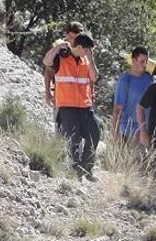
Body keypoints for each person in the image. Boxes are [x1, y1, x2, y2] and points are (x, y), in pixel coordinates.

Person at [42, 33, 100, 180]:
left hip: (85, 107)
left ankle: (86, 168)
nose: (89, 53)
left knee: (94, 134)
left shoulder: (86, 61)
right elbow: (46, 61)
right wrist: (57, 48)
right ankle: (75, 172)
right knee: (73, 140)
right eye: (88, 50)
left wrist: (91, 59)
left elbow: (94, 77)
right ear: (80, 47)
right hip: (67, 107)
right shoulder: (61, 57)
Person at [111, 46, 155, 143]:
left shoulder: (150, 78)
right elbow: (117, 109)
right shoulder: (125, 80)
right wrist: (115, 133)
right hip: (131, 130)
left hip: (149, 129)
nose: (144, 65)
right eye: (142, 61)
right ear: (134, 60)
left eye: (146, 62)